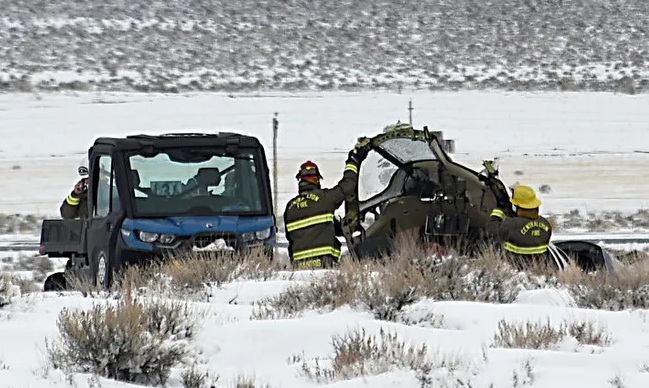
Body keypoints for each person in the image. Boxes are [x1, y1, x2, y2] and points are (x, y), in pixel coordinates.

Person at [283, 141, 369, 268]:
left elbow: (297, 236)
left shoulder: (290, 208)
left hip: (298, 267)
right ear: (317, 180)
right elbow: (347, 185)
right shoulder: (324, 198)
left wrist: (338, 228)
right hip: (324, 263)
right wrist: (353, 161)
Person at [486, 184, 553, 270]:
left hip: (514, 272)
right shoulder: (546, 225)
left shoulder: (511, 225)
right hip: (537, 273)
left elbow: (492, 230)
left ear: (517, 207)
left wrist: (499, 209)